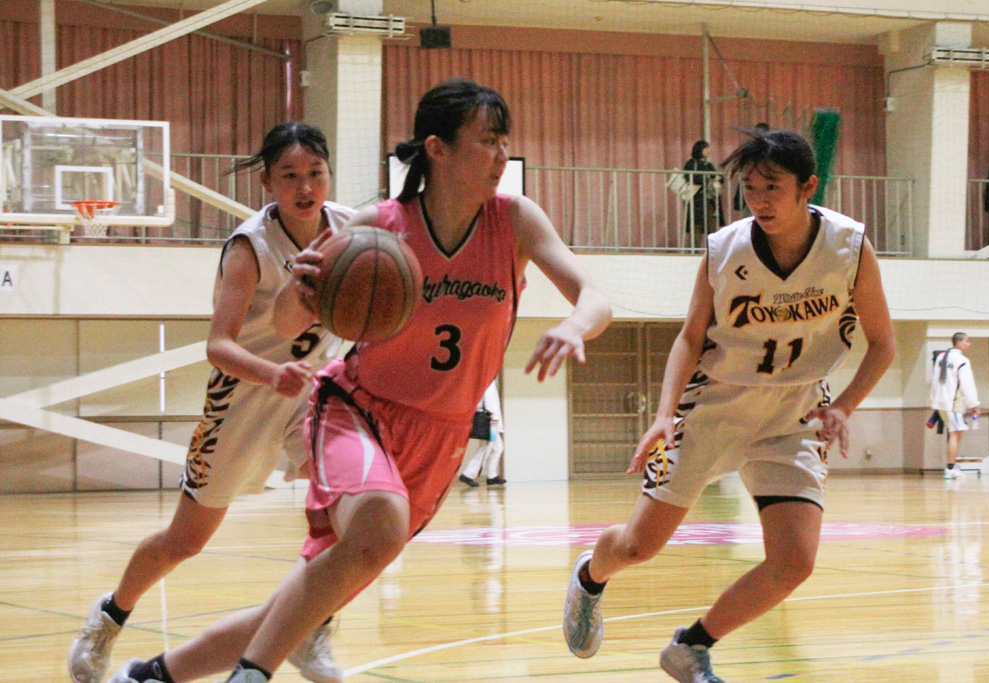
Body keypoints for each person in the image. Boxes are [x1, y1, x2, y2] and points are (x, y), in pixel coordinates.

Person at [106, 77, 612, 683]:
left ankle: (153, 676)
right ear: (438, 148)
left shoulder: (515, 220)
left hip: (442, 438)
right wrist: (301, 286)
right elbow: (288, 320)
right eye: (489, 141)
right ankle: (251, 675)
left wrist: (577, 325)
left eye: (505, 142)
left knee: (300, 605)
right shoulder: (377, 226)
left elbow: (595, 296)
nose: (503, 156)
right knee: (377, 526)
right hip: (357, 411)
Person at [563, 129, 895, 683]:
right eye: (749, 188)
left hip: (795, 413)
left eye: (772, 187)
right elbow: (690, 337)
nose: (759, 200)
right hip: (713, 406)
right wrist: (665, 415)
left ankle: (691, 647)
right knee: (638, 546)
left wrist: (847, 406)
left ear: (808, 186)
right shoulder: (725, 248)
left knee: (794, 563)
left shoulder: (848, 246)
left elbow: (883, 343)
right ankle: (591, 575)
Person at [67, 123, 353, 683]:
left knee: (347, 510)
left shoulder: (349, 229)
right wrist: (273, 373)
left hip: (312, 397)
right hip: (244, 398)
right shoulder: (251, 247)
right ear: (268, 182)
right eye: (290, 176)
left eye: (315, 173)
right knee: (184, 541)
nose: (305, 187)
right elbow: (217, 345)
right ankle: (109, 615)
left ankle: (312, 625)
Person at [930, 332, 981, 480]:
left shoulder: (940, 357)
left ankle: (951, 465)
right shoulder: (962, 360)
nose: (969, 344)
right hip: (954, 403)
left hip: (941, 403)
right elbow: (967, 385)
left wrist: (934, 401)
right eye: (967, 341)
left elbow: (935, 381)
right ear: (959, 343)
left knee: (955, 433)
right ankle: (951, 467)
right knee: (955, 434)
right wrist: (974, 404)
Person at [459, 379, 506, 486]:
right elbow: (491, 402)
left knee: (498, 447)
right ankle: (468, 474)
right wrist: (495, 419)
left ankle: (492, 476)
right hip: (491, 421)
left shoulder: (482, 380)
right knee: (487, 447)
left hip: (490, 420)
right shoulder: (488, 381)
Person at [683, 140, 722, 236]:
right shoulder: (692, 163)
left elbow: (719, 177)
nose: (709, 151)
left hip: (709, 199)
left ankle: (712, 249)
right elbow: (690, 177)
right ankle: (695, 250)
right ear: (700, 150)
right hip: (696, 199)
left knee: (712, 225)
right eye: (706, 149)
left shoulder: (708, 164)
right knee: (696, 225)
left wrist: (717, 180)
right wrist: (706, 181)